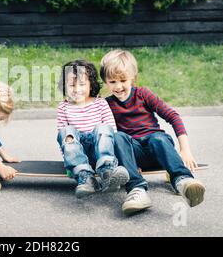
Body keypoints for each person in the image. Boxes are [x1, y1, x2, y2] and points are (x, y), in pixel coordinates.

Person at [99, 49, 206, 215]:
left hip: (158, 149)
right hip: (135, 155)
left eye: (123, 80)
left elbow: (173, 116)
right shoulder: (106, 105)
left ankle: (183, 181)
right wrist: (123, 161)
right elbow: (103, 136)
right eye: (112, 82)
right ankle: (137, 191)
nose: (118, 86)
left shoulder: (143, 94)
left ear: (132, 78)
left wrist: (185, 150)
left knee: (157, 138)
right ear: (105, 81)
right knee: (117, 137)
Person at [57, 60, 129, 199]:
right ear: (65, 86)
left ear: (91, 85)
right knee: (66, 132)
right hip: (78, 154)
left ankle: (107, 171)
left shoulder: (100, 103)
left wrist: (117, 157)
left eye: (82, 84)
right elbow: (63, 139)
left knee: (103, 128)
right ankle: (85, 177)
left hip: (100, 153)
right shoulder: (63, 107)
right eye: (72, 85)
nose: (77, 89)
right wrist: (69, 162)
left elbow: (112, 132)